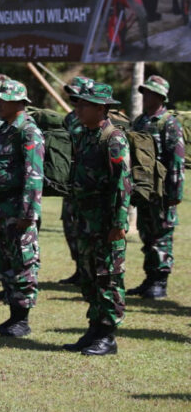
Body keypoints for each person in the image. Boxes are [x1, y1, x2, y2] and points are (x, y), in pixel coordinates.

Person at [64, 81, 131, 356]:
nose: (77, 108)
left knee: (108, 276)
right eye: (77, 103)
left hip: (106, 222)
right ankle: (94, 328)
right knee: (90, 275)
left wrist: (119, 223)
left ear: (101, 108)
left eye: (84, 104)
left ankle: (107, 335)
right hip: (85, 219)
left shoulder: (113, 138)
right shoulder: (83, 135)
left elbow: (122, 184)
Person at [0, 80, 44, 337]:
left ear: (19, 102)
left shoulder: (29, 132)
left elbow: (33, 177)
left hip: (18, 211)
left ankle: (22, 319)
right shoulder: (6, 130)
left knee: (22, 262)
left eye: (2, 100)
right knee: (6, 262)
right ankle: (12, 317)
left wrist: (27, 214)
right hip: (1, 208)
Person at [128, 75, 185, 299]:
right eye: (144, 92)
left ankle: (160, 281)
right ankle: (150, 278)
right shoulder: (141, 121)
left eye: (151, 93)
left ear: (161, 97)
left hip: (163, 191)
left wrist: (175, 192)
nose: (146, 96)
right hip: (145, 189)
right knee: (147, 233)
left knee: (161, 234)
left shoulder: (169, 123)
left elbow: (176, 159)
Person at [58, 76, 93, 285]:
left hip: (88, 182)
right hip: (70, 183)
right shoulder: (70, 118)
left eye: (76, 93)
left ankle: (90, 271)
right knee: (71, 227)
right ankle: (79, 268)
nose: (72, 97)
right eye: (71, 94)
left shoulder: (98, 119)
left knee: (87, 228)